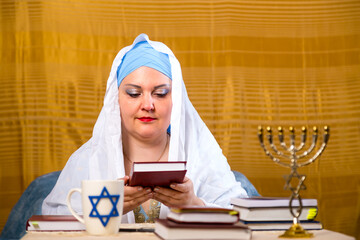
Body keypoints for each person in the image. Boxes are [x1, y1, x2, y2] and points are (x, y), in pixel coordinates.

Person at [42, 33, 248, 223]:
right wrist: (102, 209)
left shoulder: (202, 155)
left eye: (160, 93)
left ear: (176, 100)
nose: (148, 105)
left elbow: (242, 217)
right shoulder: (89, 159)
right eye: (134, 93)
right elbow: (50, 220)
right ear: (116, 101)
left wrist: (193, 205)